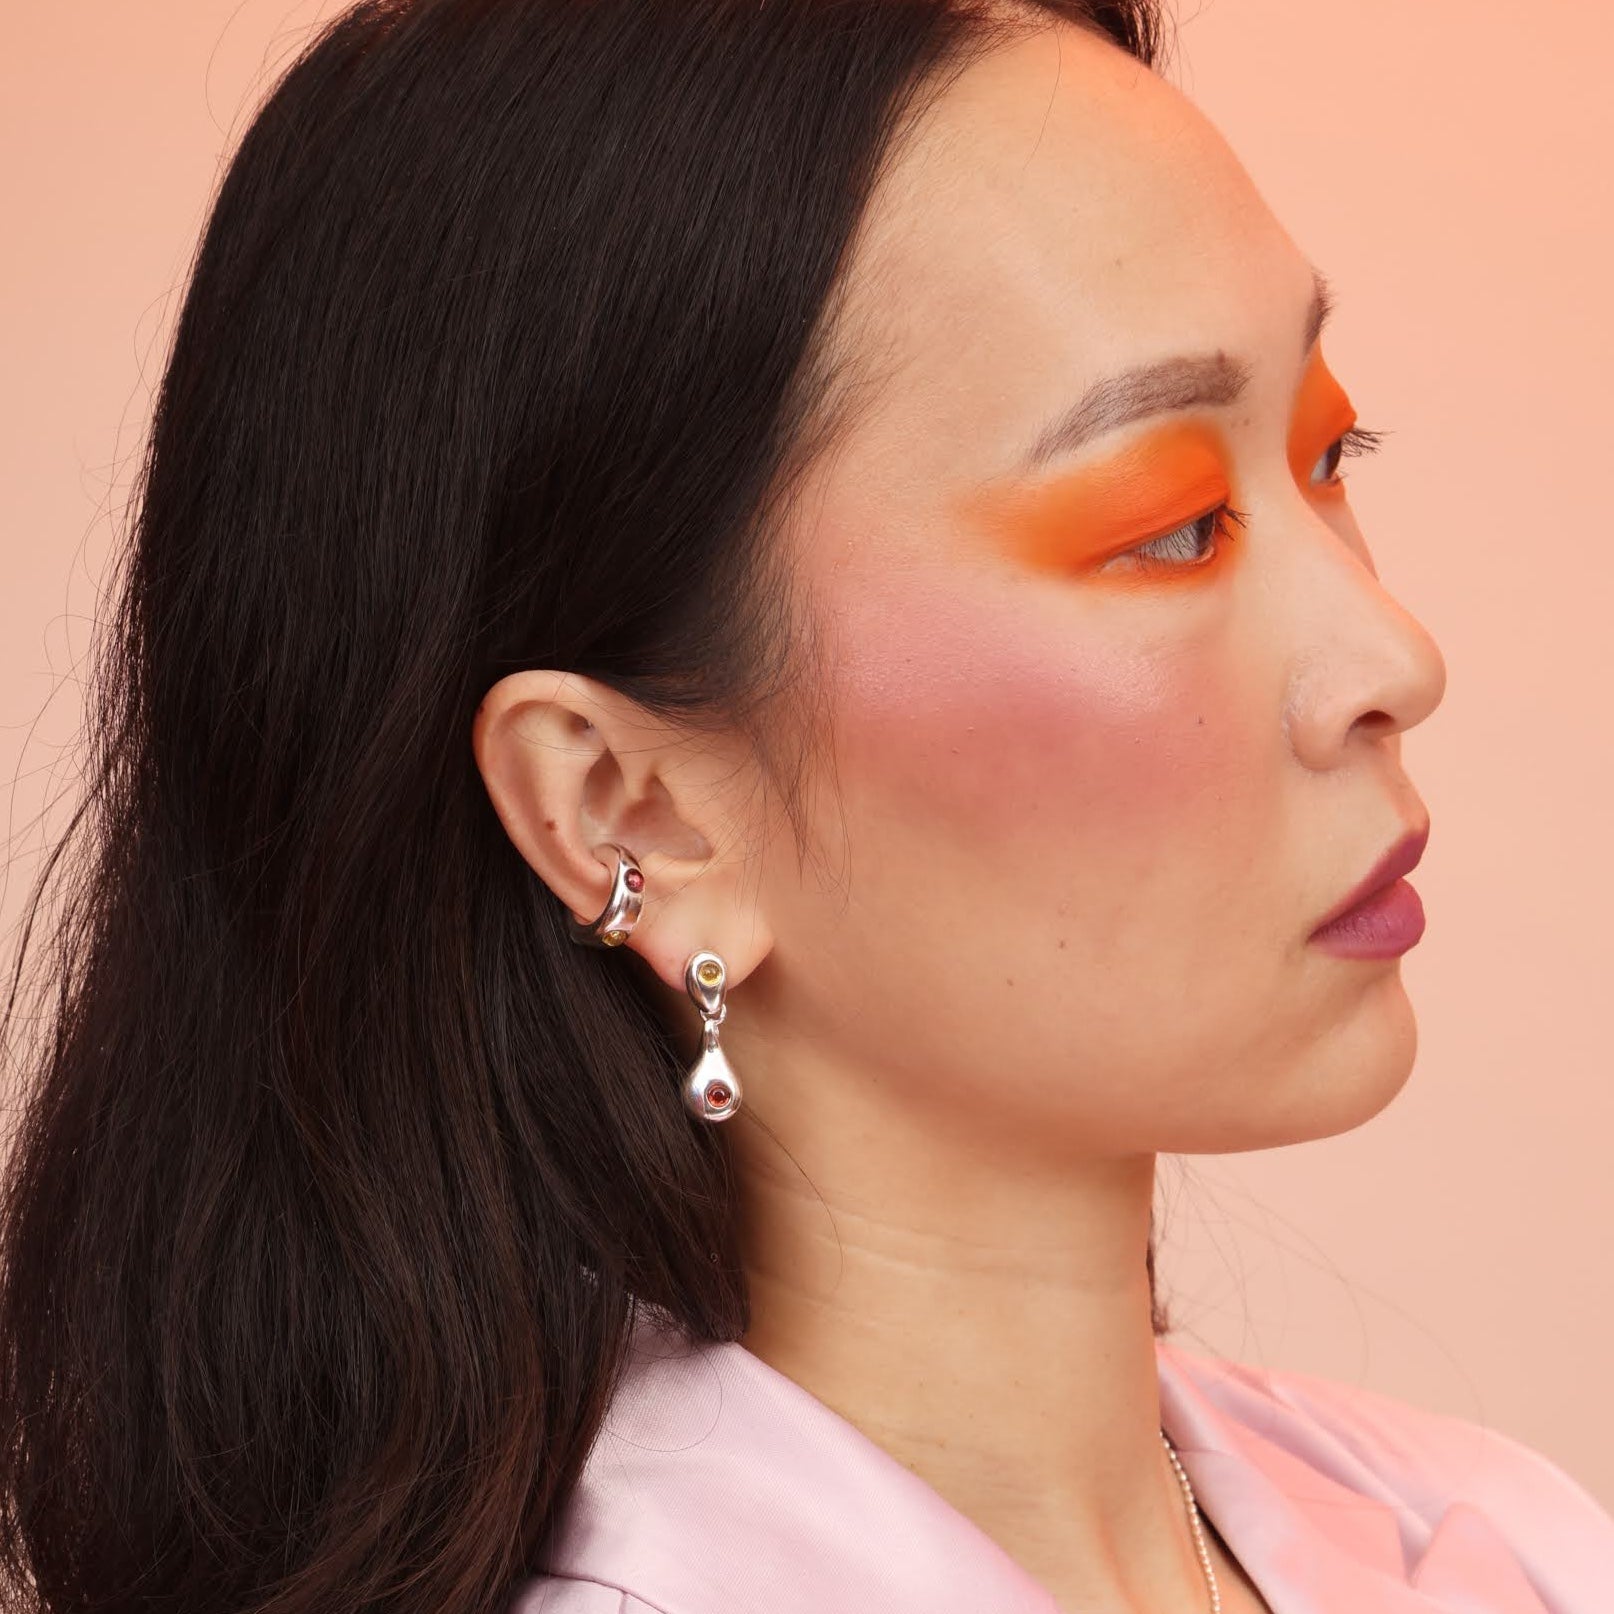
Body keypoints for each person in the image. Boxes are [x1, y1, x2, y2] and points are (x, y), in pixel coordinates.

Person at [1, 2, 1609, 1612]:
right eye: (1173, 526)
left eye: (1331, 451)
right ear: (630, 812)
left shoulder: (1492, 1543)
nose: (1391, 657)